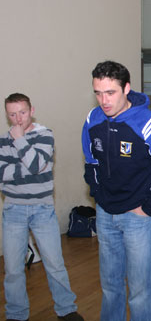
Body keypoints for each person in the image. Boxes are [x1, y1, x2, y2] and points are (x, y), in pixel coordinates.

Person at [82, 61, 151, 321]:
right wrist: (99, 197)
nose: (103, 100)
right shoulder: (92, 120)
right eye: (98, 92)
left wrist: (147, 208)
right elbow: (91, 163)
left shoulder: (150, 124)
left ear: (126, 88)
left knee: (140, 291)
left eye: (110, 92)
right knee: (110, 287)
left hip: (139, 219)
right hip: (105, 215)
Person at [0, 93, 84, 321]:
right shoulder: (2, 141)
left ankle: (66, 310)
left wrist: (19, 142)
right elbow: (2, 173)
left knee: (55, 264)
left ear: (32, 110)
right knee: (13, 269)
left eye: (22, 112)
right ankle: (16, 314)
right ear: (7, 114)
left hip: (42, 209)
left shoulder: (44, 135)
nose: (18, 119)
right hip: (13, 210)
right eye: (12, 114)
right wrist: (28, 166)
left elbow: (37, 165)